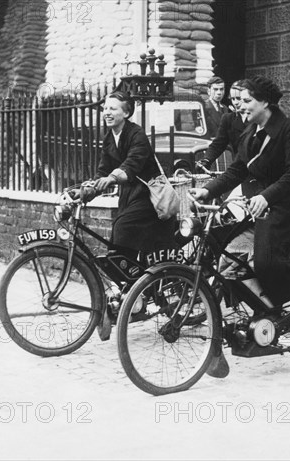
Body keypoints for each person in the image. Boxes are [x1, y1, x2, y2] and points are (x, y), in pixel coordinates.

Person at [190, 76, 290, 375]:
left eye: (247, 101)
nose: (241, 107)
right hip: (262, 209)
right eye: (240, 102)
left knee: (266, 260)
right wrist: (209, 190)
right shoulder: (250, 132)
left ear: (265, 102)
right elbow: (237, 169)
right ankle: (267, 310)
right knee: (227, 258)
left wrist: (266, 195)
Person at [80, 91, 177, 338]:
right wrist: (87, 190)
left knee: (122, 232)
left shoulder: (136, 135)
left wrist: (111, 178)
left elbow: (131, 166)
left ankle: (135, 294)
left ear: (126, 112)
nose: (107, 112)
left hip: (148, 195)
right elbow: (103, 169)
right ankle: (134, 295)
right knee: (122, 244)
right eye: (105, 108)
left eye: (113, 108)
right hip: (128, 195)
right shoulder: (109, 138)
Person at [197, 79, 248, 171]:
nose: (236, 102)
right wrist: (206, 160)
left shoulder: (256, 118)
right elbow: (219, 143)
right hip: (236, 164)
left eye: (239, 98)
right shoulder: (229, 118)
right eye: (233, 99)